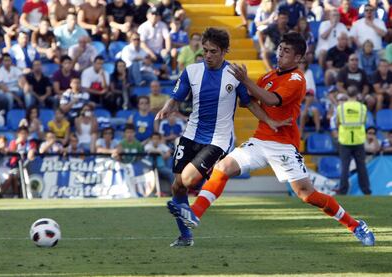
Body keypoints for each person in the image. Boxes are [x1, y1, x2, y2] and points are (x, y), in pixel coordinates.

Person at [167, 32, 375, 248]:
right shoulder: (267, 78)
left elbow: (271, 100)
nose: (280, 54)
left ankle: (355, 225)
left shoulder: (297, 79)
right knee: (223, 167)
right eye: (280, 49)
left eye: (286, 51)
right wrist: (234, 89)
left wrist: (245, 80)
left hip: (284, 144)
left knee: (307, 195)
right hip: (260, 140)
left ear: (298, 58)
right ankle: (195, 214)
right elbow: (250, 101)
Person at [156, 27, 292, 247]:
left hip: (218, 139)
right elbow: (176, 97)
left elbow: (249, 104)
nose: (208, 56)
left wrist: (270, 121)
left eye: (213, 51)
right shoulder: (191, 71)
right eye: (206, 51)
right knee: (177, 187)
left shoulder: (234, 75)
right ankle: (185, 236)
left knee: (188, 181)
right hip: (191, 133)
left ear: (225, 51)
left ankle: (193, 213)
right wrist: (167, 108)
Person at [337, 85, 372, 195]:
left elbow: (338, 123)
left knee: (345, 167)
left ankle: (343, 191)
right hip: (358, 140)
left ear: (347, 94)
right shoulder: (362, 108)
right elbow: (364, 122)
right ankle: (366, 190)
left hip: (344, 140)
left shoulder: (341, 108)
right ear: (357, 94)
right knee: (361, 166)